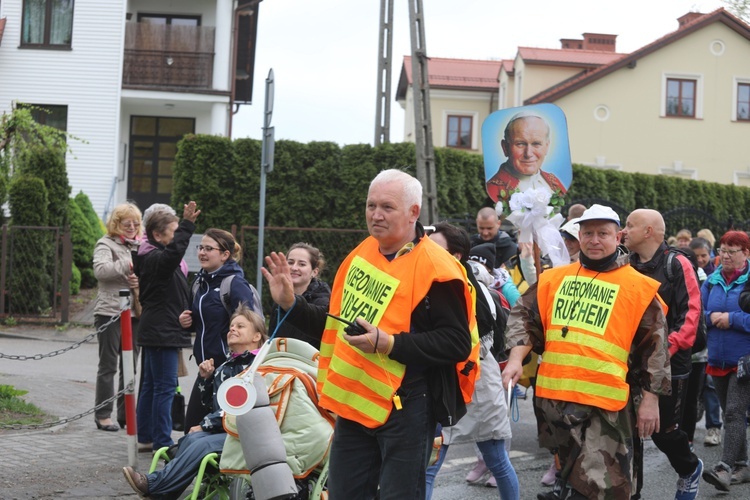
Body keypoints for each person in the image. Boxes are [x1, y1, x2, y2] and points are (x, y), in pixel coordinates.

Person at [261, 169, 475, 499]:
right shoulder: (362, 252)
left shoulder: (439, 268)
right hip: (353, 404)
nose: (375, 215)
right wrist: (291, 303)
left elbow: (457, 342)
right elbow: (334, 323)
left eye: (387, 207)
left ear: (413, 212)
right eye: (370, 205)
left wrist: (390, 343)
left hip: (407, 406)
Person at [501, 204, 672, 500]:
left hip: (606, 409)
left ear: (617, 237)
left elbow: (655, 349)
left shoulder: (638, 288)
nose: (594, 240)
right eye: (588, 233)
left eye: (602, 233)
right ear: (579, 236)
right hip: (557, 405)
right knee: (573, 483)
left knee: (604, 488)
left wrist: (651, 399)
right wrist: (516, 359)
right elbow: (525, 319)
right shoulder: (553, 279)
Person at [123, 305, 267, 498]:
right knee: (191, 439)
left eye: (240, 326)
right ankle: (162, 491)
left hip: (247, 434)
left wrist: (205, 425)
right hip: (226, 431)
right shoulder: (226, 366)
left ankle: (154, 484)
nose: (232, 329)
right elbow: (212, 404)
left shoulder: (259, 368)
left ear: (257, 336)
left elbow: (243, 409)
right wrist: (205, 379)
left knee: (200, 443)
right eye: (231, 326)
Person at [425, 222, 519, 499]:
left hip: (476, 383)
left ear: (455, 256)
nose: (425, 252)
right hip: (444, 383)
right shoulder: (428, 281)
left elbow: (482, 341)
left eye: (434, 248)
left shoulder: (474, 290)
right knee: (429, 467)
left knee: (497, 460)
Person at [621, 208, 704, 498]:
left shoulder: (677, 264)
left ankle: (690, 469)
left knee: (662, 432)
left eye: (630, 225)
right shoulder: (624, 264)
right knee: (630, 435)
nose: (624, 230)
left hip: (671, 364)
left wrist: (658, 351)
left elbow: (691, 318)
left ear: (648, 232)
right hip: (628, 366)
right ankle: (634, 492)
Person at [179, 228, 262, 431]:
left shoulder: (234, 284)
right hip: (205, 370)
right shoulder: (199, 283)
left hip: (229, 371)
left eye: (209, 248)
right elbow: (201, 321)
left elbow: (249, 324)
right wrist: (185, 321)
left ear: (225, 255)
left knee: (220, 428)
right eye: (201, 247)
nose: (202, 253)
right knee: (191, 427)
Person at [134, 201, 200, 452]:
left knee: (152, 386)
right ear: (157, 235)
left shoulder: (151, 256)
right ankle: (162, 441)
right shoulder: (155, 258)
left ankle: (146, 436)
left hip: (157, 330)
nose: (176, 239)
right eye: (172, 232)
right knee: (163, 388)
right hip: (162, 333)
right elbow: (174, 253)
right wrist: (187, 225)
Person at [701, 231, 750, 491]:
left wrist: (732, 320)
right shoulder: (711, 280)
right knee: (731, 413)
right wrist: (712, 317)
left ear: (746, 254)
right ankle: (742, 466)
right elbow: (700, 313)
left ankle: (724, 468)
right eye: (722, 250)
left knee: (733, 412)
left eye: (733, 250)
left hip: (745, 359)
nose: (726, 255)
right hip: (717, 358)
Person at [92, 202, 142, 432]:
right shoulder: (105, 244)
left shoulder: (141, 245)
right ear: (116, 224)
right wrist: (129, 263)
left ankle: (125, 415)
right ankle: (103, 415)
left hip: (134, 312)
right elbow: (101, 271)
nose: (132, 227)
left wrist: (137, 281)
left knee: (130, 368)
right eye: (126, 223)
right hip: (110, 312)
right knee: (109, 365)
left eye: (135, 223)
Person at [687, 237, 722, 447]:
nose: (700, 259)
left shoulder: (712, 277)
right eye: (697, 256)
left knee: (710, 386)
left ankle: (713, 426)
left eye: (704, 255)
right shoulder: (690, 273)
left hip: (710, 343)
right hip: (696, 344)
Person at [486, 112, 567, 205]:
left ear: (547, 147)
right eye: (520, 144)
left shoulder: (554, 183)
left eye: (536, 144)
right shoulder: (492, 190)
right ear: (505, 147)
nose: (528, 154)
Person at [268, 242, 331, 349]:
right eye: (290, 262)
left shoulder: (323, 303)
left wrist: (291, 304)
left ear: (314, 272)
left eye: (302, 264)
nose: (294, 268)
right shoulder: (279, 302)